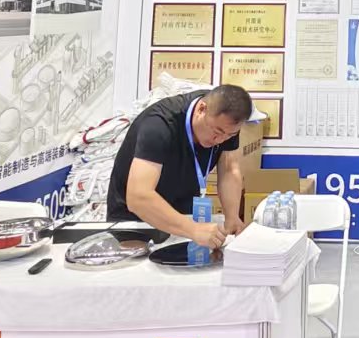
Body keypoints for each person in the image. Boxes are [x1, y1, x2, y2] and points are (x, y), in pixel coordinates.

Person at [106, 83, 253, 249]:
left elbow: (229, 169)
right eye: (217, 132)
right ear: (201, 109)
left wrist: (232, 216)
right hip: (138, 216)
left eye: (230, 135)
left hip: (182, 209)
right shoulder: (159, 124)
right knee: (138, 262)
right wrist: (193, 229)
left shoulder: (227, 121)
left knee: (190, 261)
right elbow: (138, 197)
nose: (220, 140)